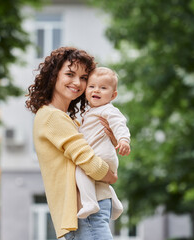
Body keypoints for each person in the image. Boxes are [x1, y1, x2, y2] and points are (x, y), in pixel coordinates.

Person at [25, 47, 118, 240]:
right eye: (70, 74)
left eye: (84, 78)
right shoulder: (52, 117)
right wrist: (110, 176)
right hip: (84, 214)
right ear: (53, 76)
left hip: (88, 211)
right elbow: (88, 161)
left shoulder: (71, 120)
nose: (78, 83)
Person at [76, 67, 131, 220]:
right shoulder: (88, 112)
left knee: (81, 169)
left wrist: (123, 140)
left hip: (103, 154)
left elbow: (119, 123)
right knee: (97, 180)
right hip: (103, 157)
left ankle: (90, 203)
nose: (97, 90)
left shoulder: (108, 110)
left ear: (113, 95)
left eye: (103, 88)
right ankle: (116, 203)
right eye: (92, 86)